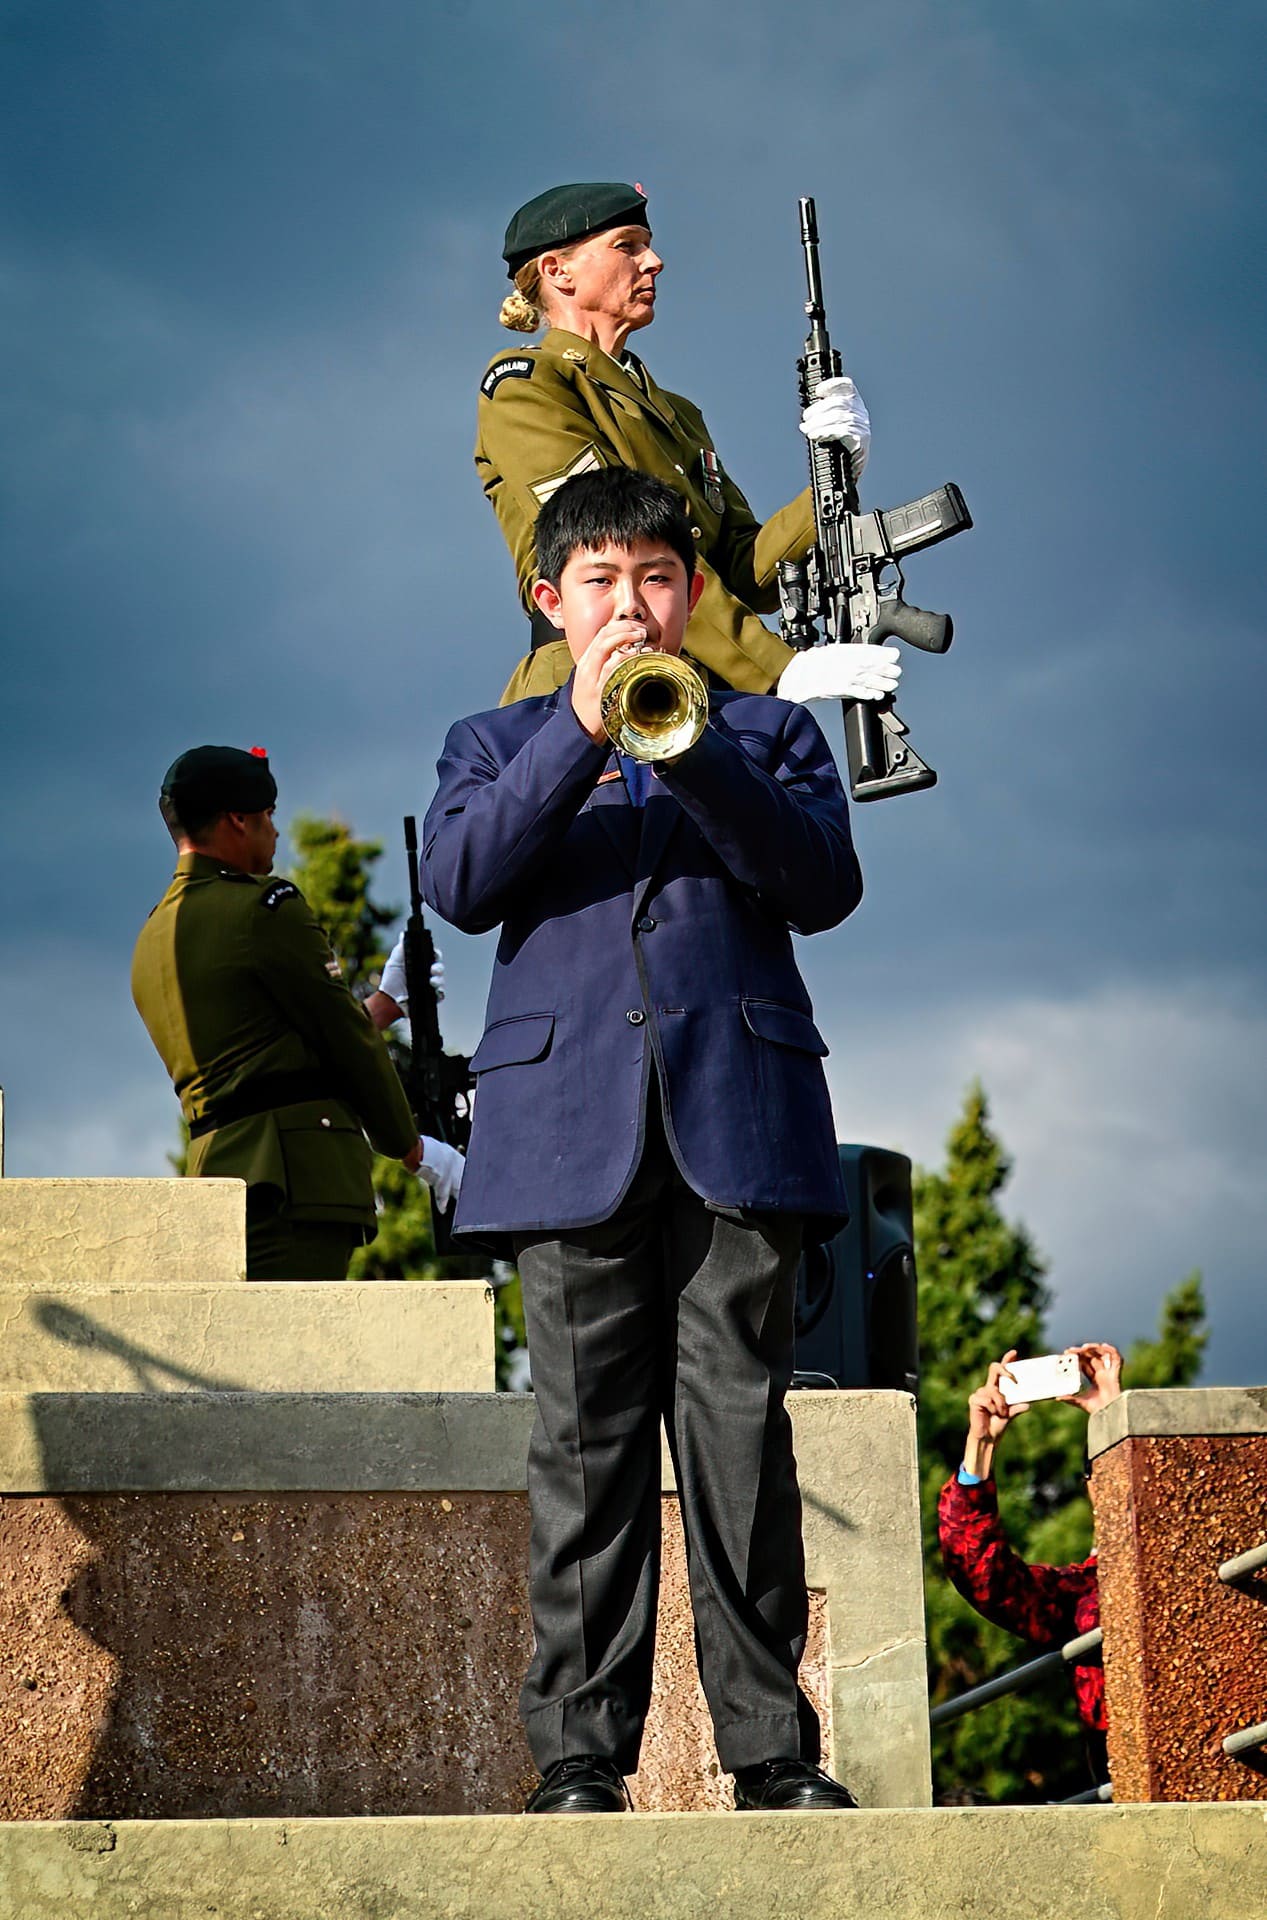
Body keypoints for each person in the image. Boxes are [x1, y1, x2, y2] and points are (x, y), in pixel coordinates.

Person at [422, 466, 862, 1814]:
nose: (630, 604)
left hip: (739, 1123)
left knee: (740, 1443)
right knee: (583, 1447)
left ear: (691, 596)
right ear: (547, 601)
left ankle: (771, 1755)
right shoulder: (488, 743)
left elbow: (819, 884)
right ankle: (577, 1757)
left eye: (655, 579)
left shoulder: (767, 735)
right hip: (563, 1138)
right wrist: (573, 729)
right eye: (600, 582)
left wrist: (696, 750)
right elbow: (460, 883)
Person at [478, 179, 902, 716]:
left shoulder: (677, 413)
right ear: (557, 271)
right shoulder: (527, 385)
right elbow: (613, 539)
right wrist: (776, 667)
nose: (654, 262)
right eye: (627, 245)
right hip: (592, 686)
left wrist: (835, 472)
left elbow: (745, 571)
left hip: (700, 692)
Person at [131, 744, 463, 1280]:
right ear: (238, 820)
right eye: (268, 817)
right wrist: (416, 1151)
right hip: (292, 1181)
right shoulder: (263, 909)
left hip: (217, 1179)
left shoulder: (153, 935)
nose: (276, 833)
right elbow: (342, 1043)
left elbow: (260, 1050)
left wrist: (382, 1005)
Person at [937, 1342, 1124, 1772]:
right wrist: (980, 1447)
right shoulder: (1084, 1594)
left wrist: (1118, 1423)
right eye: (1100, 1470)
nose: (1115, 1480)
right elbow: (981, 1574)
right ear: (1089, 1489)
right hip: (1131, 1799)